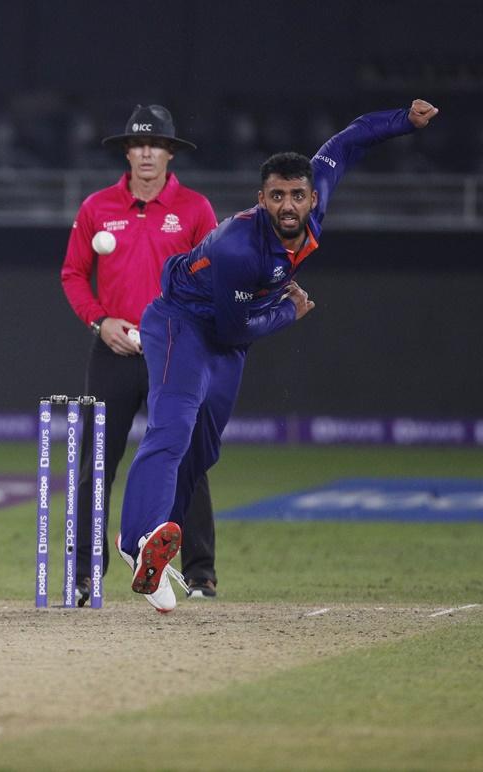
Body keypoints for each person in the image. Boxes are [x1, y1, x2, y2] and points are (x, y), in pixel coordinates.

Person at [119, 100, 440, 610]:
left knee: (203, 452)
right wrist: (290, 313)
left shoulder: (315, 197)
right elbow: (230, 328)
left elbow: (348, 140)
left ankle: (155, 555)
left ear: (313, 196)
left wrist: (404, 120)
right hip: (185, 321)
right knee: (172, 426)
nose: (288, 206)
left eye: (297, 196)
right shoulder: (237, 249)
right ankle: (137, 538)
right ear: (260, 200)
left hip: (231, 333)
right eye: (276, 197)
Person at [61, 104, 219, 611]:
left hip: (174, 350)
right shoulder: (97, 208)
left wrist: (181, 327)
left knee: (185, 455)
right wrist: (99, 321)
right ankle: (85, 576)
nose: (146, 153)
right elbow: (72, 274)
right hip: (113, 348)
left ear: (170, 152)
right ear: (127, 151)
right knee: (96, 460)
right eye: (138, 144)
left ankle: (199, 574)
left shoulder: (195, 210)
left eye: (156, 145)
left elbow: (214, 279)